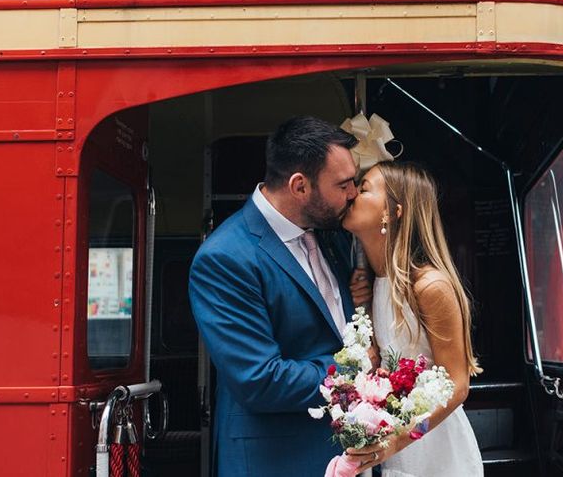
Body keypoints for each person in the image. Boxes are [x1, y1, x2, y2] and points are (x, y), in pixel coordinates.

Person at [189, 116, 372, 477]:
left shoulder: (332, 234)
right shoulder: (225, 257)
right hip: (276, 461)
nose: (353, 193)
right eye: (343, 184)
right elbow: (261, 380)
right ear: (300, 186)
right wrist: (358, 371)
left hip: (346, 455)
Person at [342, 161, 485, 477]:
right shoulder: (378, 284)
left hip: (434, 448)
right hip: (394, 450)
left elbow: (458, 386)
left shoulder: (430, 286)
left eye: (364, 188)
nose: (351, 194)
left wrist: (399, 440)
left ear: (393, 212)